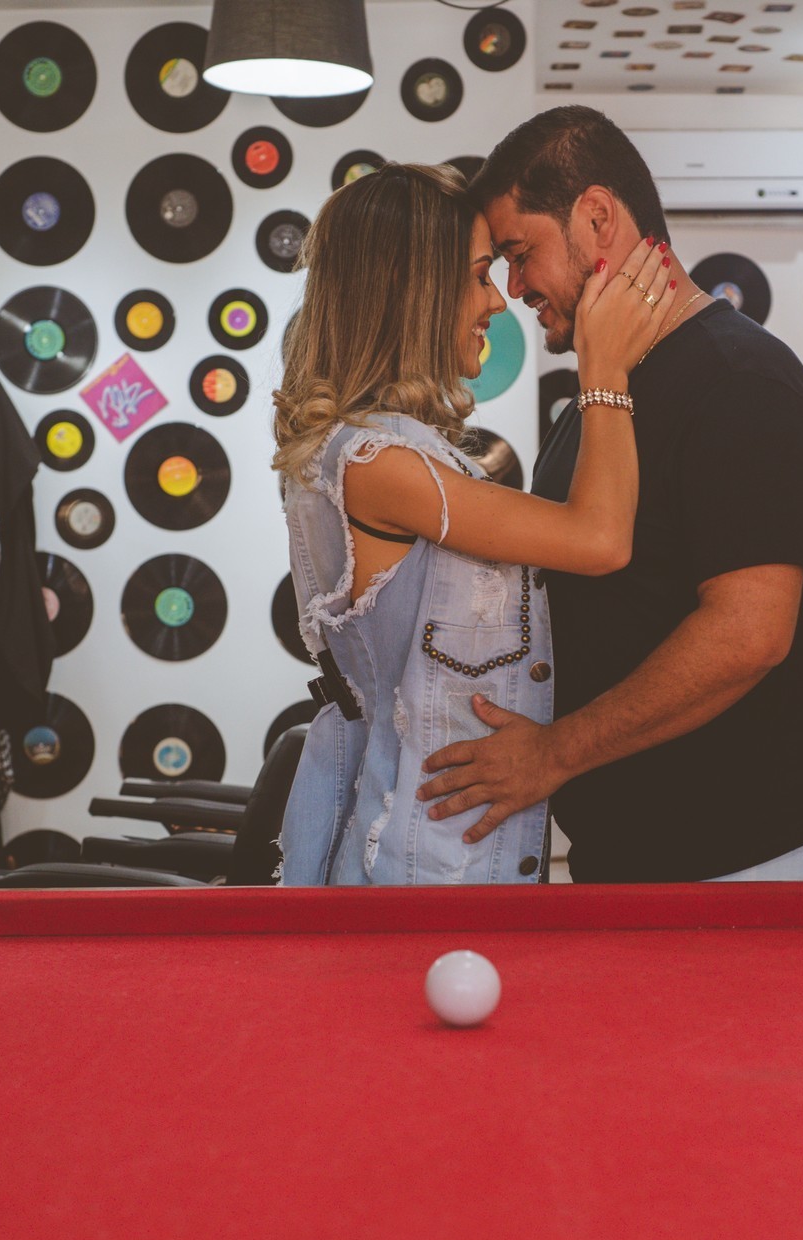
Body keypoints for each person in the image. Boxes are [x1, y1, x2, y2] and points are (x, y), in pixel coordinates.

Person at [416, 107, 803, 884]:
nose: (512, 287)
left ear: (597, 216)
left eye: (518, 252)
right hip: (653, 857)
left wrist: (551, 754)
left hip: (771, 848)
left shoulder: (739, 381)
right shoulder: (602, 395)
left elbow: (750, 634)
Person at [271, 161, 671, 886]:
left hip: (441, 852)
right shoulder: (377, 462)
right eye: (482, 274)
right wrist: (603, 370)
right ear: (414, 292)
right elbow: (601, 539)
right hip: (421, 868)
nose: (497, 299)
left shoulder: (385, 450)